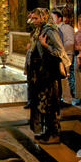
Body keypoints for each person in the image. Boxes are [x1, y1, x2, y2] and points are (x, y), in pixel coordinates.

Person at [28, 8, 71, 144]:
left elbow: (60, 51)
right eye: (33, 18)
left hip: (50, 74)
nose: (33, 21)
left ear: (44, 17)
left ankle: (54, 134)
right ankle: (46, 132)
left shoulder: (50, 31)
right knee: (43, 105)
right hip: (40, 74)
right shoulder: (39, 31)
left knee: (51, 105)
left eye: (36, 18)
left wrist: (45, 45)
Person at [51, 9, 75, 107]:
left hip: (65, 56)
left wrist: (60, 50)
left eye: (53, 17)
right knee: (58, 79)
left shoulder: (66, 28)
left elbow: (70, 42)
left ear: (59, 18)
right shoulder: (53, 28)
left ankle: (67, 99)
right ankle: (58, 98)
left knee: (64, 77)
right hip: (56, 56)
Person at [74, 14, 81, 107]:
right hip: (79, 57)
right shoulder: (77, 33)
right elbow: (75, 46)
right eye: (80, 20)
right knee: (79, 78)